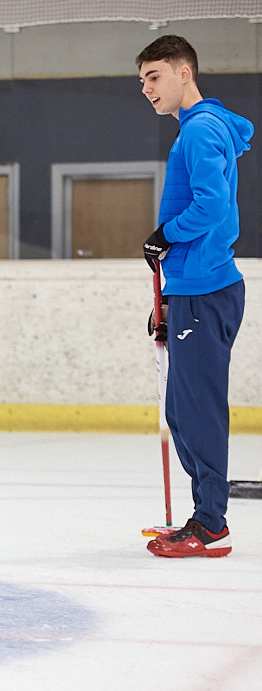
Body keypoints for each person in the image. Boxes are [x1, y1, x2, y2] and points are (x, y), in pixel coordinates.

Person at [137, 35, 253, 558]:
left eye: (154, 76)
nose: (146, 89)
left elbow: (211, 209)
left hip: (206, 289)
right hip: (193, 288)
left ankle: (211, 525)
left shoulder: (202, 130)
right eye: (142, 81)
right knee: (184, 409)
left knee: (198, 410)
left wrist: (165, 234)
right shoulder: (196, 130)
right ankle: (202, 516)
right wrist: (169, 296)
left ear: (184, 72)